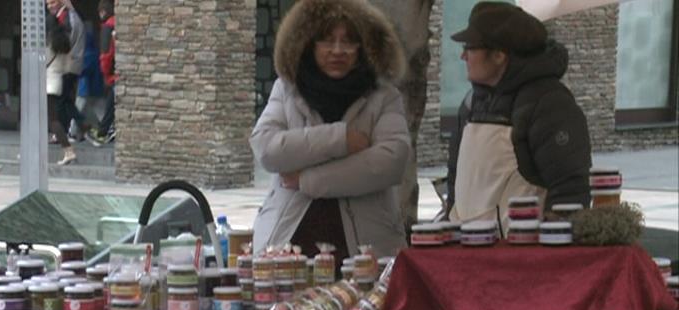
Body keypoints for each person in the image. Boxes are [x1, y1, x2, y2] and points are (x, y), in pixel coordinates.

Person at [250, 0, 410, 263]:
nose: (338, 50)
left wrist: (307, 181)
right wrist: (340, 140)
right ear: (309, 43)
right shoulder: (287, 89)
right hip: (288, 249)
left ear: (364, 47)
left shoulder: (384, 96)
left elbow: (391, 161)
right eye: (326, 40)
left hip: (367, 251)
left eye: (349, 41)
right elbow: (266, 148)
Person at [445, 2, 592, 232]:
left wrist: (548, 254)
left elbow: (569, 191)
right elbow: (455, 180)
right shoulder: (471, 104)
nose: (463, 56)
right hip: (466, 255)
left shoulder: (549, 103)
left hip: (520, 258)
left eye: (471, 48)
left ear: (499, 55)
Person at [47, 0, 89, 160]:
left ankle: (74, 132)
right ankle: (74, 130)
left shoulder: (66, 20)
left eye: (52, 2)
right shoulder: (71, 17)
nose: (49, 6)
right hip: (68, 67)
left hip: (66, 68)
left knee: (61, 103)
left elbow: (63, 45)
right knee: (64, 101)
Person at [46, 12, 75, 165]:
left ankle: (68, 150)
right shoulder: (65, 45)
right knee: (50, 119)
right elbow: (67, 68)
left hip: (47, 83)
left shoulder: (50, 45)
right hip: (57, 83)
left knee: (52, 121)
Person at [86, 0, 117, 146]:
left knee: (111, 103)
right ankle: (108, 130)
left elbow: (106, 54)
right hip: (119, 70)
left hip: (113, 73)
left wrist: (105, 73)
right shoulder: (117, 24)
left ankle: (103, 133)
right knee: (113, 103)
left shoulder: (107, 28)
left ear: (103, 12)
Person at [69, 22, 105, 143]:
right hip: (97, 87)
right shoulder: (95, 53)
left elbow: (82, 70)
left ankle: (73, 133)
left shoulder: (87, 55)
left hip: (85, 88)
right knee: (101, 111)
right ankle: (108, 129)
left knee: (77, 110)